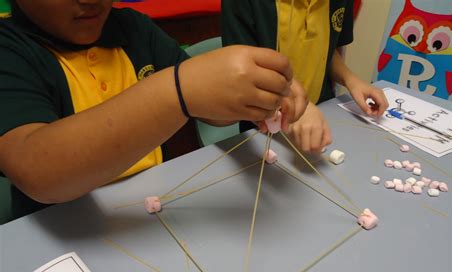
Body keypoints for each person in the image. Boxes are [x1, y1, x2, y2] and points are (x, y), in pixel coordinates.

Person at [0, 0, 309, 221]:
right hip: (66, 246)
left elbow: (204, 105)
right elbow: (38, 171)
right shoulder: (9, 51)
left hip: (163, 217)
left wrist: (245, 101)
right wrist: (177, 90)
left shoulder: (133, 29)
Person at [222, 0, 389, 150]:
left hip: (321, 115)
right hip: (263, 128)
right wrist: (294, 105)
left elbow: (327, 51)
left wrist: (351, 79)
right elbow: (244, 76)